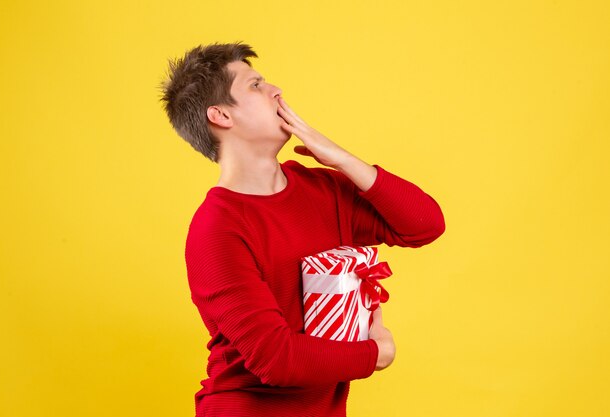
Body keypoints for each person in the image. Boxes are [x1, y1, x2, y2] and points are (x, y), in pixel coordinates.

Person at [160, 42, 445, 417]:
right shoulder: (216, 229)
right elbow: (277, 359)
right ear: (221, 116)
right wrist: (377, 353)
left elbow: (424, 225)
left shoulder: (322, 190)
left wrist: (341, 158)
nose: (276, 91)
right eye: (256, 86)